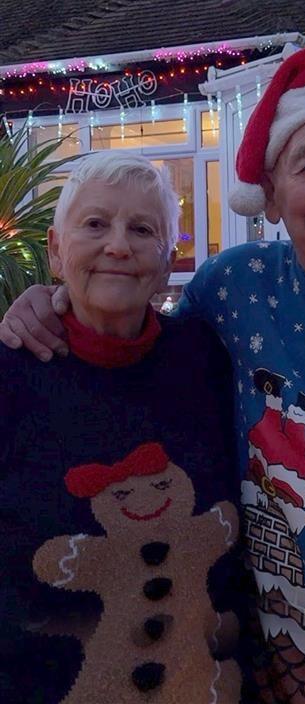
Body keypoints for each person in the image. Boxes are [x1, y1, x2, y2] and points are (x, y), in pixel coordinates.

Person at [1, 42, 305, 703]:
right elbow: (117, 320)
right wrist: (43, 302)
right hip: (278, 681)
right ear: (270, 197)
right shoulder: (236, 293)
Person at [0, 152, 243, 704]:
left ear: (166, 262)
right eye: (94, 224)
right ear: (56, 253)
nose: (117, 245)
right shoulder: (11, 372)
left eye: (142, 229)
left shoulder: (206, 358)